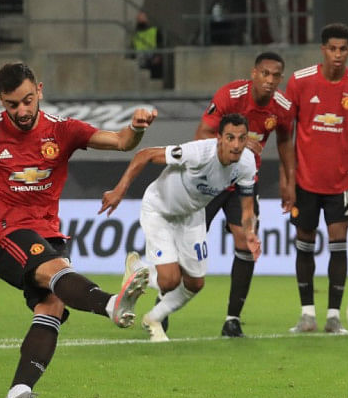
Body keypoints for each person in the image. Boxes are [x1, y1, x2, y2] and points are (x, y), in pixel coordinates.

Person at [0, 62, 158, 398]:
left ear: (39, 90)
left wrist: (136, 127)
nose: (22, 111)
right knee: (55, 271)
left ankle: (19, 392)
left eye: (27, 100)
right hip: (8, 233)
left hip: (49, 232)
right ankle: (112, 304)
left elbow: (121, 142)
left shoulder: (63, 130)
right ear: (0, 99)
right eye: (12, 104)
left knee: (51, 306)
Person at [99, 113, 261, 342]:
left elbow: (247, 207)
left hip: (192, 216)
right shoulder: (198, 153)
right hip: (160, 210)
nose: (236, 145)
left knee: (195, 283)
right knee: (170, 281)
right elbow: (145, 154)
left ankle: (153, 318)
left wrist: (250, 232)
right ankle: (138, 269)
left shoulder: (246, 163)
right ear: (219, 138)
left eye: (242, 139)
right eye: (230, 138)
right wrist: (119, 191)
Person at [192, 51, 294, 337]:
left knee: (246, 244)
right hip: (212, 179)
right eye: (265, 74)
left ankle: (232, 319)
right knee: (190, 243)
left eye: (276, 76)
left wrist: (289, 181)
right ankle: (162, 307)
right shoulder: (231, 95)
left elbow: (285, 141)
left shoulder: (282, 106)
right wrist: (241, 143)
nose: (270, 80)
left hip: (245, 183)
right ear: (254, 73)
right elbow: (201, 134)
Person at [284, 22, 348, 334]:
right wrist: (288, 179)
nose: (338, 55)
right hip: (305, 181)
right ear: (323, 49)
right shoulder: (300, 82)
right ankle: (307, 315)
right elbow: (285, 133)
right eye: (332, 49)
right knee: (305, 244)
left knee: (339, 244)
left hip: (341, 182)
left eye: (343, 49)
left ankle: (334, 317)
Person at [131, 11, 163, 79]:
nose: (141, 20)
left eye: (143, 18)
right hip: (140, 59)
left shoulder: (154, 30)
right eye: (139, 18)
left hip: (153, 57)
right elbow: (133, 47)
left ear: (147, 19)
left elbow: (160, 44)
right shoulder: (135, 34)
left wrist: (158, 56)